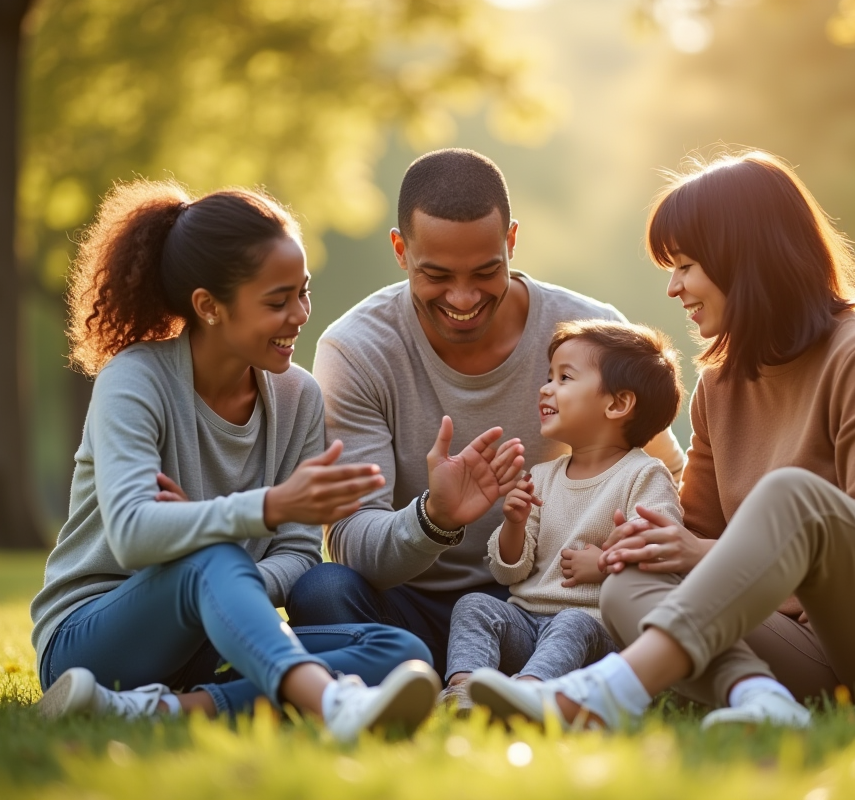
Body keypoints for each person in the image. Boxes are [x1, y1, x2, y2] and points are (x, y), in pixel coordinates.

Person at [465, 150, 855, 731]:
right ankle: (760, 696)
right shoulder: (720, 388)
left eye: (685, 265)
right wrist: (642, 547)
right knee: (629, 587)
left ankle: (609, 691)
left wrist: (699, 554)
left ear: (746, 259)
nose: (675, 287)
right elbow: (696, 539)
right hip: (819, 652)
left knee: (792, 497)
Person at [30, 180, 447, 741]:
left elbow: (299, 555)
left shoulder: (299, 397)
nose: (299, 314)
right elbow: (132, 534)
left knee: (400, 653)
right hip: (92, 639)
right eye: (277, 301)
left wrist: (224, 585)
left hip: (208, 639)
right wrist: (264, 511)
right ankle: (329, 704)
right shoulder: (135, 380)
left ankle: (165, 711)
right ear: (209, 306)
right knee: (208, 560)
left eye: (303, 292)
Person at [286, 149, 686, 678]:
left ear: (511, 242)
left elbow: (667, 473)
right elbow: (351, 541)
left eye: (486, 270)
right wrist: (435, 519)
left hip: (542, 604)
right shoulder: (357, 349)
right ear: (401, 250)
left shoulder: (589, 334)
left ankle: (448, 673)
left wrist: (619, 555)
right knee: (323, 591)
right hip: (410, 607)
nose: (463, 297)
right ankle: (435, 669)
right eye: (436, 274)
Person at [442, 320, 684, 710]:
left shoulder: (644, 474)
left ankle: (530, 696)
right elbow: (509, 573)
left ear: (617, 404)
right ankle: (464, 691)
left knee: (573, 623)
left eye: (564, 377)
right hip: (528, 623)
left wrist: (606, 564)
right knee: (475, 605)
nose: (546, 388)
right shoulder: (542, 476)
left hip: (597, 635)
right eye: (549, 376)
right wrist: (514, 526)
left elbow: (665, 555)